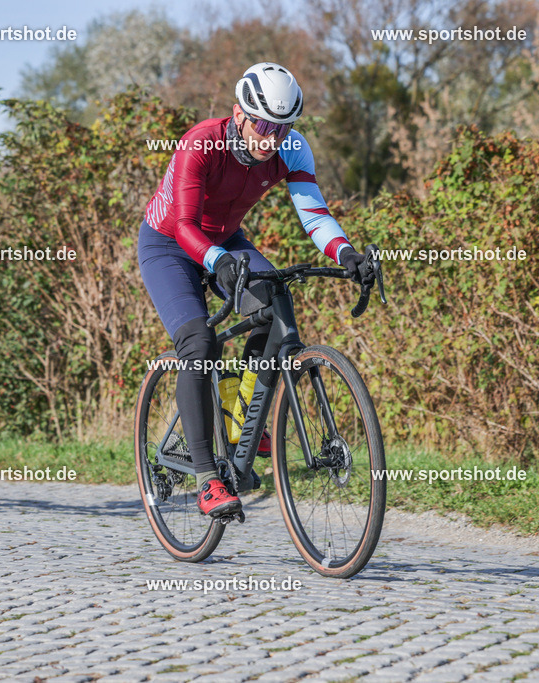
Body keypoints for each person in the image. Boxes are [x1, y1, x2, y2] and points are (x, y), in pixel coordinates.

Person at [138, 62, 367, 518]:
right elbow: (184, 224)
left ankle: (245, 417)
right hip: (169, 243)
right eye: (263, 125)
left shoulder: (292, 149)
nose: (271, 139)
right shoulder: (201, 142)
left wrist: (345, 253)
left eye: (282, 129)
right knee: (199, 342)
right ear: (240, 114)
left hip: (225, 241)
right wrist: (217, 262)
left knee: (275, 302)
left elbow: (315, 216)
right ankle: (207, 479)